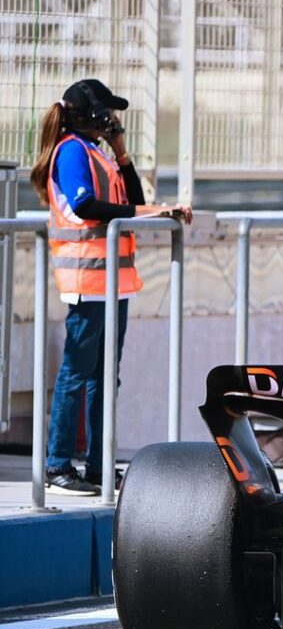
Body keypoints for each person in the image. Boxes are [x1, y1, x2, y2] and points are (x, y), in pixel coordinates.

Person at [29, 79, 192, 495]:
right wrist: (149, 210)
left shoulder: (100, 154)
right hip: (88, 281)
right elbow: (85, 205)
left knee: (105, 377)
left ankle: (99, 465)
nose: (114, 119)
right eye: (109, 112)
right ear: (92, 114)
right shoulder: (70, 151)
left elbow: (132, 198)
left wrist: (122, 154)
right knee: (76, 374)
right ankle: (58, 465)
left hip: (114, 283)